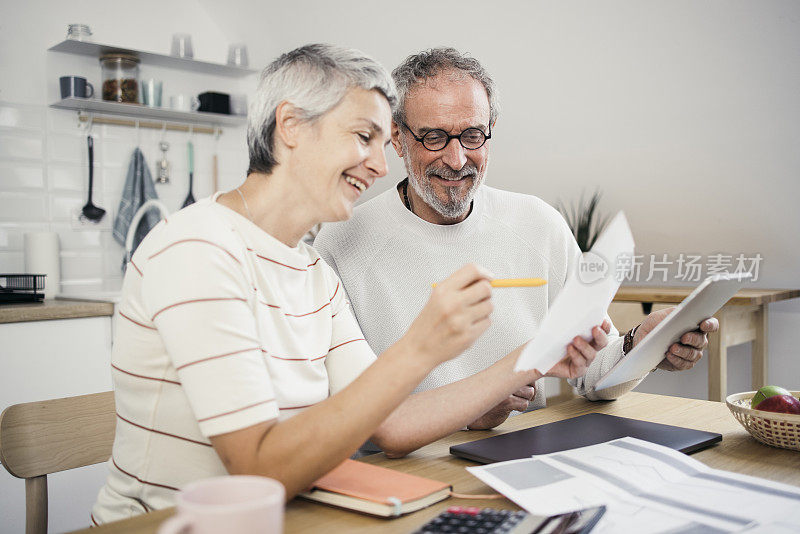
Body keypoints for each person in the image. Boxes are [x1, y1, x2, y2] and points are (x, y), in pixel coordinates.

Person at [91, 44, 606, 524]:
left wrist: (534, 357)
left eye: (383, 143)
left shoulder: (312, 271)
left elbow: (394, 424)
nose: (381, 166)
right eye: (364, 138)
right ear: (290, 125)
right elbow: (258, 474)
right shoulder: (198, 248)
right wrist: (422, 347)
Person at [314, 47, 718, 431]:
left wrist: (639, 346)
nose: (457, 161)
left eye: (473, 135)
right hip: (403, 474)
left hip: (520, 454)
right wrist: (469, 407)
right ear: (398, 139)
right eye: (434, 137)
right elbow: (351, 410)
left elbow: (591, 372)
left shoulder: (538, 225)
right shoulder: (341, 244)